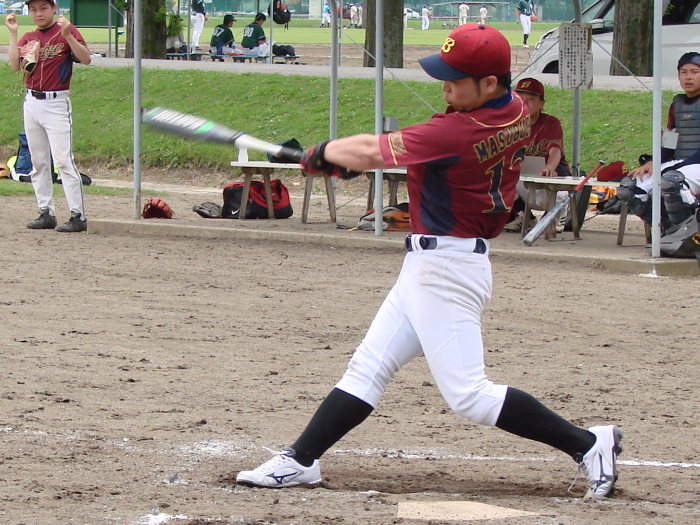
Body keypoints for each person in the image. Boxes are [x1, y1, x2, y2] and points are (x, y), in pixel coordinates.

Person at [235, 24, 623, 501]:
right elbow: (395, 152)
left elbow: (375, 150)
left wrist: (325, 154)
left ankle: (588, 444)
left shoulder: (457, 130)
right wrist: (342, 158)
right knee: (368, 366)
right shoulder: (515, 109)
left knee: (469, 394)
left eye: (456, 80)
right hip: (435, 264)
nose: (444, 87)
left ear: (490, 83)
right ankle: (301, 460)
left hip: (446, 270)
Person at [5, 0, 91, 233]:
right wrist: (13, 34)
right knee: (39, 161)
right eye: (33, 9)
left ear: (54, 8)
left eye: (43, 8)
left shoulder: (65, 30)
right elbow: (14, 65)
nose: (38, 13)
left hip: (56, 102)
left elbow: (86, 58)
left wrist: (68, 36)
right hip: (31, 102)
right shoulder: (29, 37)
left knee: (63, 161)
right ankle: (46, 213)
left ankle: (78, 216)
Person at [617, 52, 700, 232]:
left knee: (672, 182)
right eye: (684, 72)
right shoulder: (677, 104)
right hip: (680, 163)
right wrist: (653, 162)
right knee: (629, 188)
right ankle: (665, 230)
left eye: (694, 72)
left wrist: (677, 167)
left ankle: (687, 232)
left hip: (694, 164)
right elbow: (670, 142)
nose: (688, 77)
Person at [504, 77, 572, 233]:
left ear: (541, 104)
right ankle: (525, 218)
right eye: (520, 98)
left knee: (547, 196)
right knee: (498, 181)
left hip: (550, 177)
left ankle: (558, 213)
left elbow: (555, 149)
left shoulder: (550, 123)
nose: (525, 103)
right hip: (524, 178)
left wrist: (550, 167)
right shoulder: (511, 124)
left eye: (531, 99)